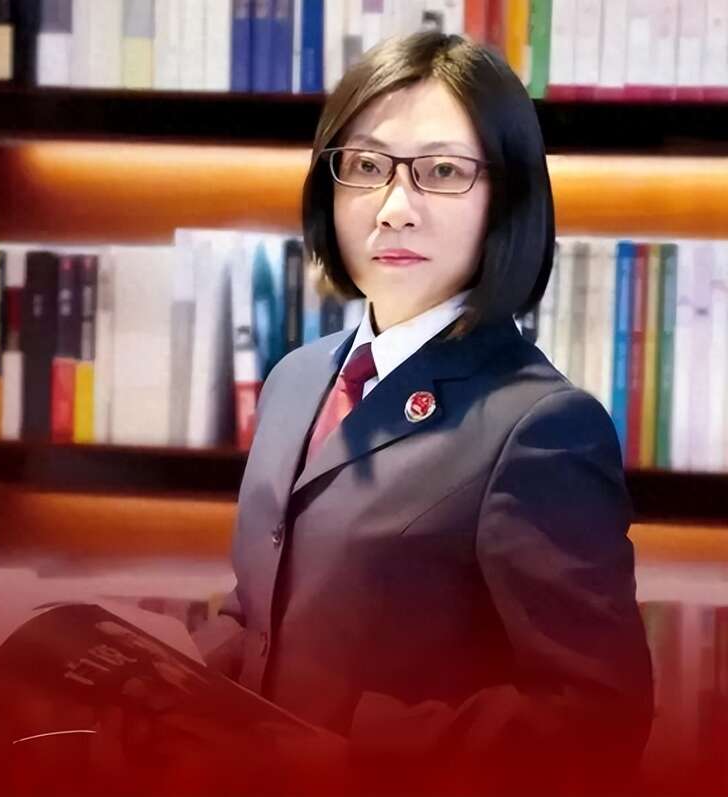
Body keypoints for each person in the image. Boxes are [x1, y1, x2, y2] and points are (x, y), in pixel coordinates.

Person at [197, 30, 654, 797]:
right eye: (366, 166)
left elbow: (599, 720)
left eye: (442, 171)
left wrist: (355, 751)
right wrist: (180, 663)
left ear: (507, 198)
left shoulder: (542, 427)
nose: (394, 208)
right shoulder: (295, 379)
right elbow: (266, 606)